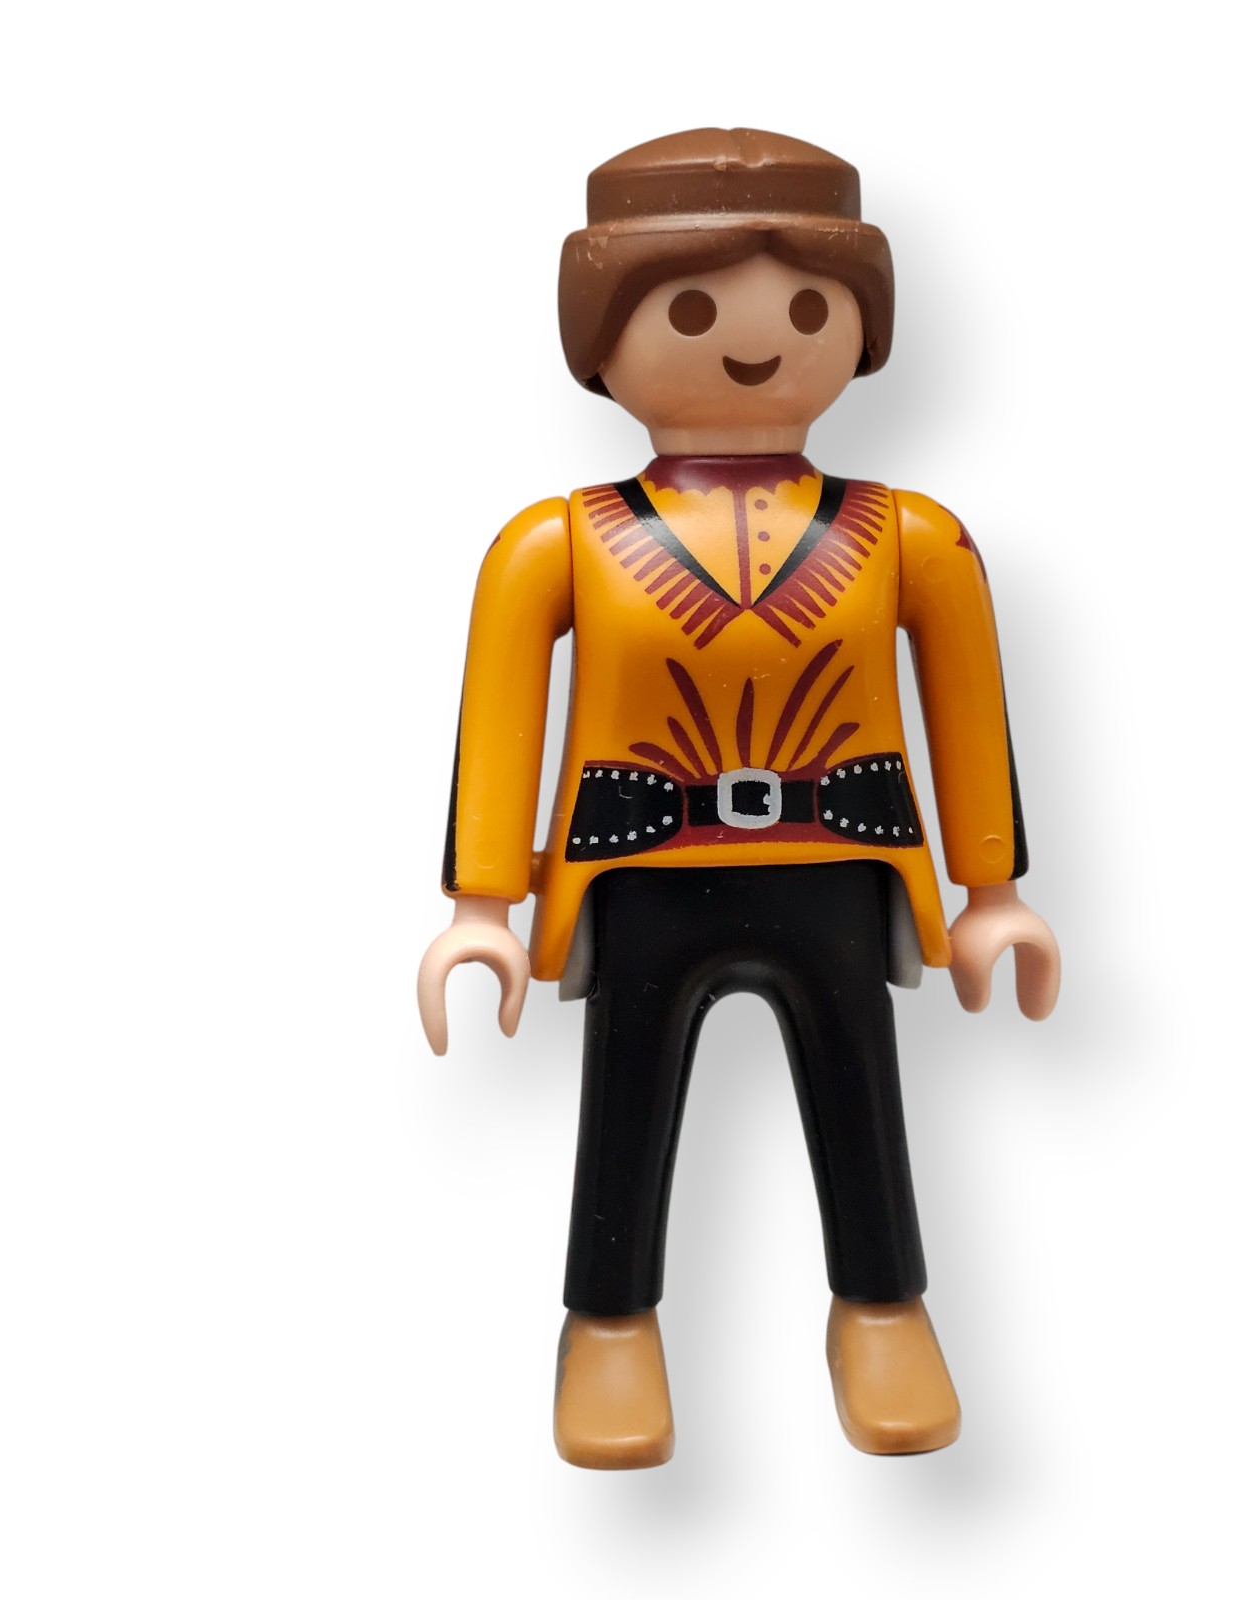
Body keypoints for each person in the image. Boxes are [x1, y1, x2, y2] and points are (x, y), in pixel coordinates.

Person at [416, 127, 1061, 1469]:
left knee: (860, 1089)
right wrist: (483, 903)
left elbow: (968, 700)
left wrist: (992, 888)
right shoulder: (558, 544)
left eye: (810, 310)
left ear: (863, 331)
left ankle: (883, 1305)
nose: (759, 345)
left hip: (843, 855)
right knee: (626, 1098)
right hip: (638, 864)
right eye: (693, 314)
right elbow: (499, 715)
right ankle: (609, 1322)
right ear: (599, 338)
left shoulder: (909, 537)